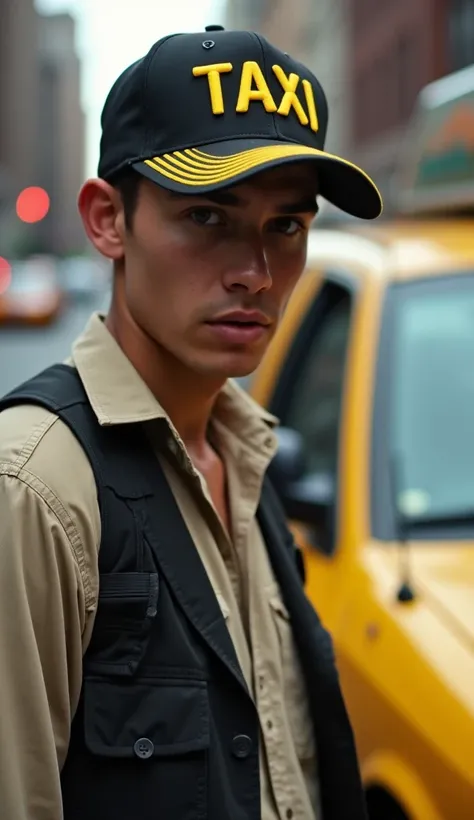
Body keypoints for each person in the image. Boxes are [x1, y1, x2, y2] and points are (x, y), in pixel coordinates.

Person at [0, 24, 382, 820]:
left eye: (288, 225)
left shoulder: (244, 455)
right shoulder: (36, 489)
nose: (256, 272)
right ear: (108, 219)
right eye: (210, 217)